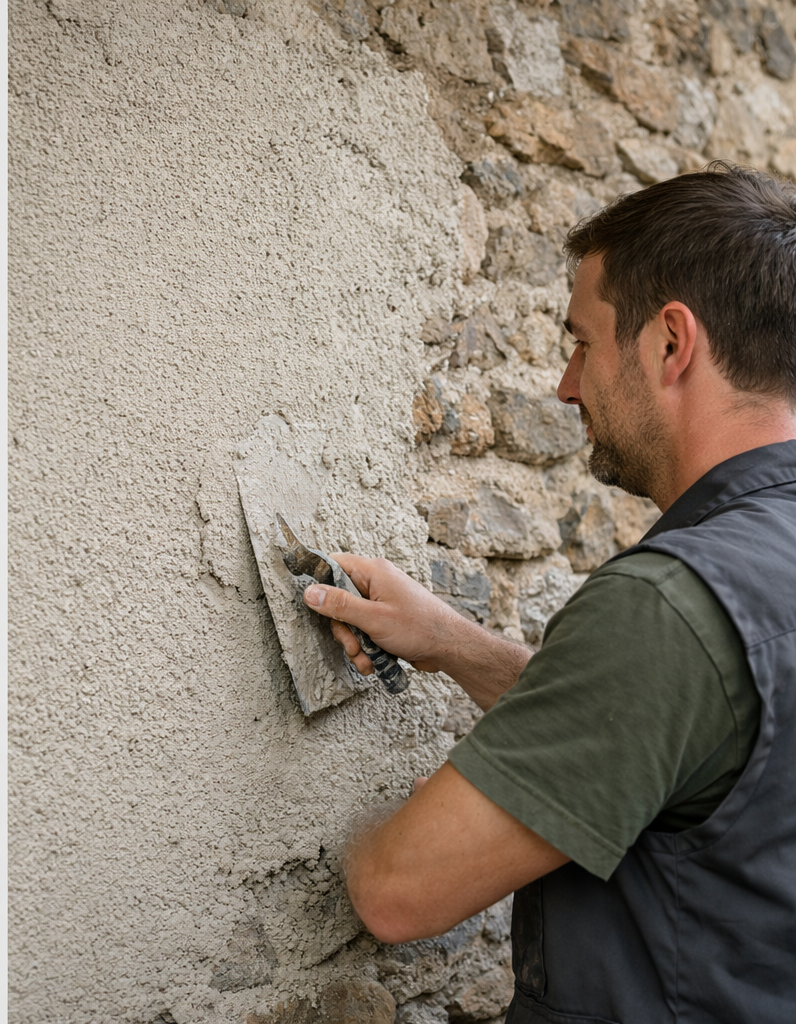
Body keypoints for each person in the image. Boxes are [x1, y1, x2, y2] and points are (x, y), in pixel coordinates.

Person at [307, 164, 796, 1021]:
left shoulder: (671, 608)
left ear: (670, 344)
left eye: (582, 342)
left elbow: (398, 892)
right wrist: (458, 645)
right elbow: (689, 745)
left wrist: (279, 833)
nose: (567, 386)